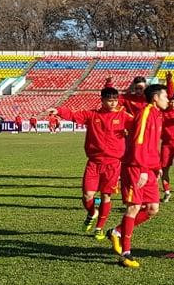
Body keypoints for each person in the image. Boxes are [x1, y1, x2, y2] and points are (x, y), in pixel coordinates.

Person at [49, 87, 134, 237]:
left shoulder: (123, 116)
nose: (113, 103)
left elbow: (138, 126)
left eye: (115, 100)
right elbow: (74, 115)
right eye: (109, 100)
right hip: (94, 162)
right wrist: (59, 111)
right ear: (102, 100)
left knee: (106, 195)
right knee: (87, 196)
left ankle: (99, 228)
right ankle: (92, 212)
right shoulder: (92, 115)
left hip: (113, 163)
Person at [106, 83, 170, 268]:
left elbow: (151, 145)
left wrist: (156, 166)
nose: (168, 99)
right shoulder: (146, 113)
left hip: (149, 168)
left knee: (152, 209)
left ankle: (117, 232)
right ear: (155, 98)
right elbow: (139, 141)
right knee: (133, 208)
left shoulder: (158, 114)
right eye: (165, 96)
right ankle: (125, 254)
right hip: (136, 167)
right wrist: (142, 168)